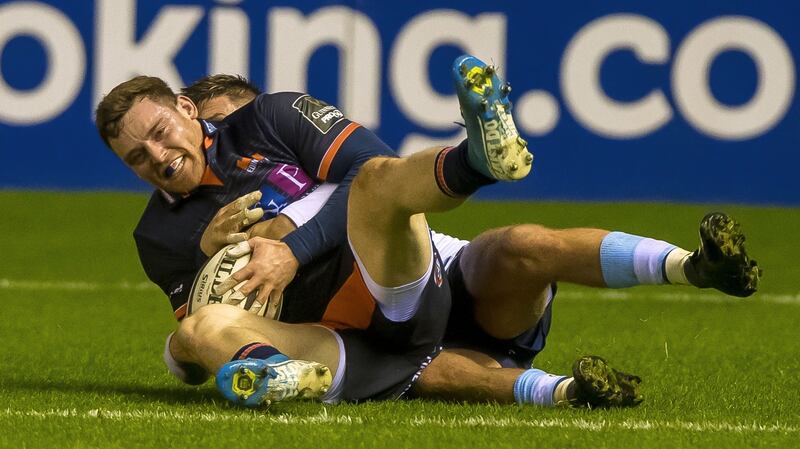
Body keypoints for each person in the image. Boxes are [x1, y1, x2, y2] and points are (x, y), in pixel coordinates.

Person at [95, 57, 759, 407]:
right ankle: (570, 393)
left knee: (517, 244)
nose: (157, 155)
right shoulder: (165, 233)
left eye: (164, 133)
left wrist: (289, 246)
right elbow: (192, 336)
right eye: (137, 157)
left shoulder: (280, 130)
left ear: (196, 115)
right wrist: (200, 301)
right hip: (340, 337)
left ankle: (691, 266)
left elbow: (367, 172)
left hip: (421, 283)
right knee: (420, 371)